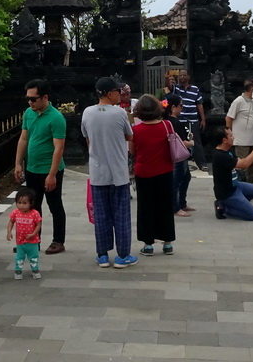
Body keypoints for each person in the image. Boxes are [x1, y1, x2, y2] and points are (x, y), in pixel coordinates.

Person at [80, 76, 137, 268]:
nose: (120, 96)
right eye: (118, 92)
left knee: (102, 215)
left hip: (97, 172)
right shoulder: (119, 113)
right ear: (111, 93)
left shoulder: (87, 112)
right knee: (121, 215)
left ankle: (102, 255)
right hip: (119, 172)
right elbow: (130, 135)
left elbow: (87, 138)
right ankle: (123, 256)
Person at [13, 79, 68, 254]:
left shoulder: (56, 117)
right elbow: (23, 138)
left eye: (34, 99)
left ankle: (58, 241)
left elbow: (59, 147)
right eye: (28, 99)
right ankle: (32, 241)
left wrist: (52, 174)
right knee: (32, 207)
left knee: (54, 205)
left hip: (50, 169)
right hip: (32, 168)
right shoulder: (29, 113)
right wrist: (18, 163)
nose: (30, 102)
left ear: (45, 97)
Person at [130, 94, 176, 255]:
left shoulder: (135, 130)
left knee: (145, 207)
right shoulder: (167, 125)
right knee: (165, 206)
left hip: (144, 172)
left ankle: (148, 243)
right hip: (165, 171)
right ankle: (168, 242)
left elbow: (132, 151)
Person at [211, 126, 253, 220]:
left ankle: (238, 204)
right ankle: (224, 207)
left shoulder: (227, 150)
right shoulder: (220, 155)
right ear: (224, 140)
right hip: (227, 194)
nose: (233, 138)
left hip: (235, 186)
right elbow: (244, 164)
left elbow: (240, 162)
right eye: (231, 136)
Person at [163, 94, 194, 217]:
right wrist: (191, 142)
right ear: (173, 107)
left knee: (185, 178)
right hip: (178, 156)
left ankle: (182, 203)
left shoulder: (166, 121)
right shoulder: (174, 122)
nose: (182, 108)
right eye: (181, 106)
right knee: (176, 181)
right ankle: (175, 207)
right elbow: (182, 142)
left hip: (176, 156)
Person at [226, 78, 253, 183]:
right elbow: (229, 118)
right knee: (242, 165)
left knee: (252, 165)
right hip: (242, 140)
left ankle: (250, 184)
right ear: (251, 88)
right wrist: (229, 134)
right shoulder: (238, 101)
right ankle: (242, 185)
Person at [172, 70, 207, 171]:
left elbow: (199, 104)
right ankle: (181, 163)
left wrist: (203, 119)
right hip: (179, 119)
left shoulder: (195, 89)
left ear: (188, 77)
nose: (182, 77)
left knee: (196, 141)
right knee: (179, 141)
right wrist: (167, 78)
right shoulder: (176, 88)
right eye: (180, 75)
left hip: (192, 119)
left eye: (184, 75)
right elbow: (169, 88)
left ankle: (201, 163)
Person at [6, 187, 42, 279]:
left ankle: (35, 269)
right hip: (20, 241)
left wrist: (33, 234)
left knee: (34, 256)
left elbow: (38, 225)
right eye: (19, 202)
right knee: (19, 257)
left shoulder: (35, 213)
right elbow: (11, 222)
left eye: (25, 203)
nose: (21, 205)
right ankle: (18, 271)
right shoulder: (15, 213)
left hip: (32, 241)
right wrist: (9, 232)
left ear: (31, 203)